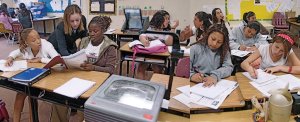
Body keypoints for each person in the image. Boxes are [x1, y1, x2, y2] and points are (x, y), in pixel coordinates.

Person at [50, 15, 118, 122]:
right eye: (90, 31)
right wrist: (69, 62)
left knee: (85, 104)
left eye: (95, 31)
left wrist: (93, 67)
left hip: (97, 82)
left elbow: (111, 70)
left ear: (103, 30)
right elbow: (77, 58)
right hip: (80, 79)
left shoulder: (110, 47)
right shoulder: (84, 41)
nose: (91, 34)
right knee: (59, 98)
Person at [5, 28, 59, 122]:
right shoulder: (25, 48)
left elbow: (58, 61)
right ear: (26, 43)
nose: (38, 41)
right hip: (32, 76)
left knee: (31, 96)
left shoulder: (46, 45)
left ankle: (32, 119)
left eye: (38, 37)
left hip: (47, 78)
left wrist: (41, 59)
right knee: (20, 94)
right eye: (34, 40)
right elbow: (15, 52)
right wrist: (10, 58)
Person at [136, 10, 174, 80]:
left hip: (159, 55)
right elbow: (142, 35)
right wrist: (143, 39)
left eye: (169, 19)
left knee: (157, 69)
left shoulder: (166, 31)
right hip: (148, 53)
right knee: (140, 68)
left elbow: (169, 43)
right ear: (159, 19)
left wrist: (173, 29)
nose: (168, 21)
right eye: (166, 19)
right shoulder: (151, 28)